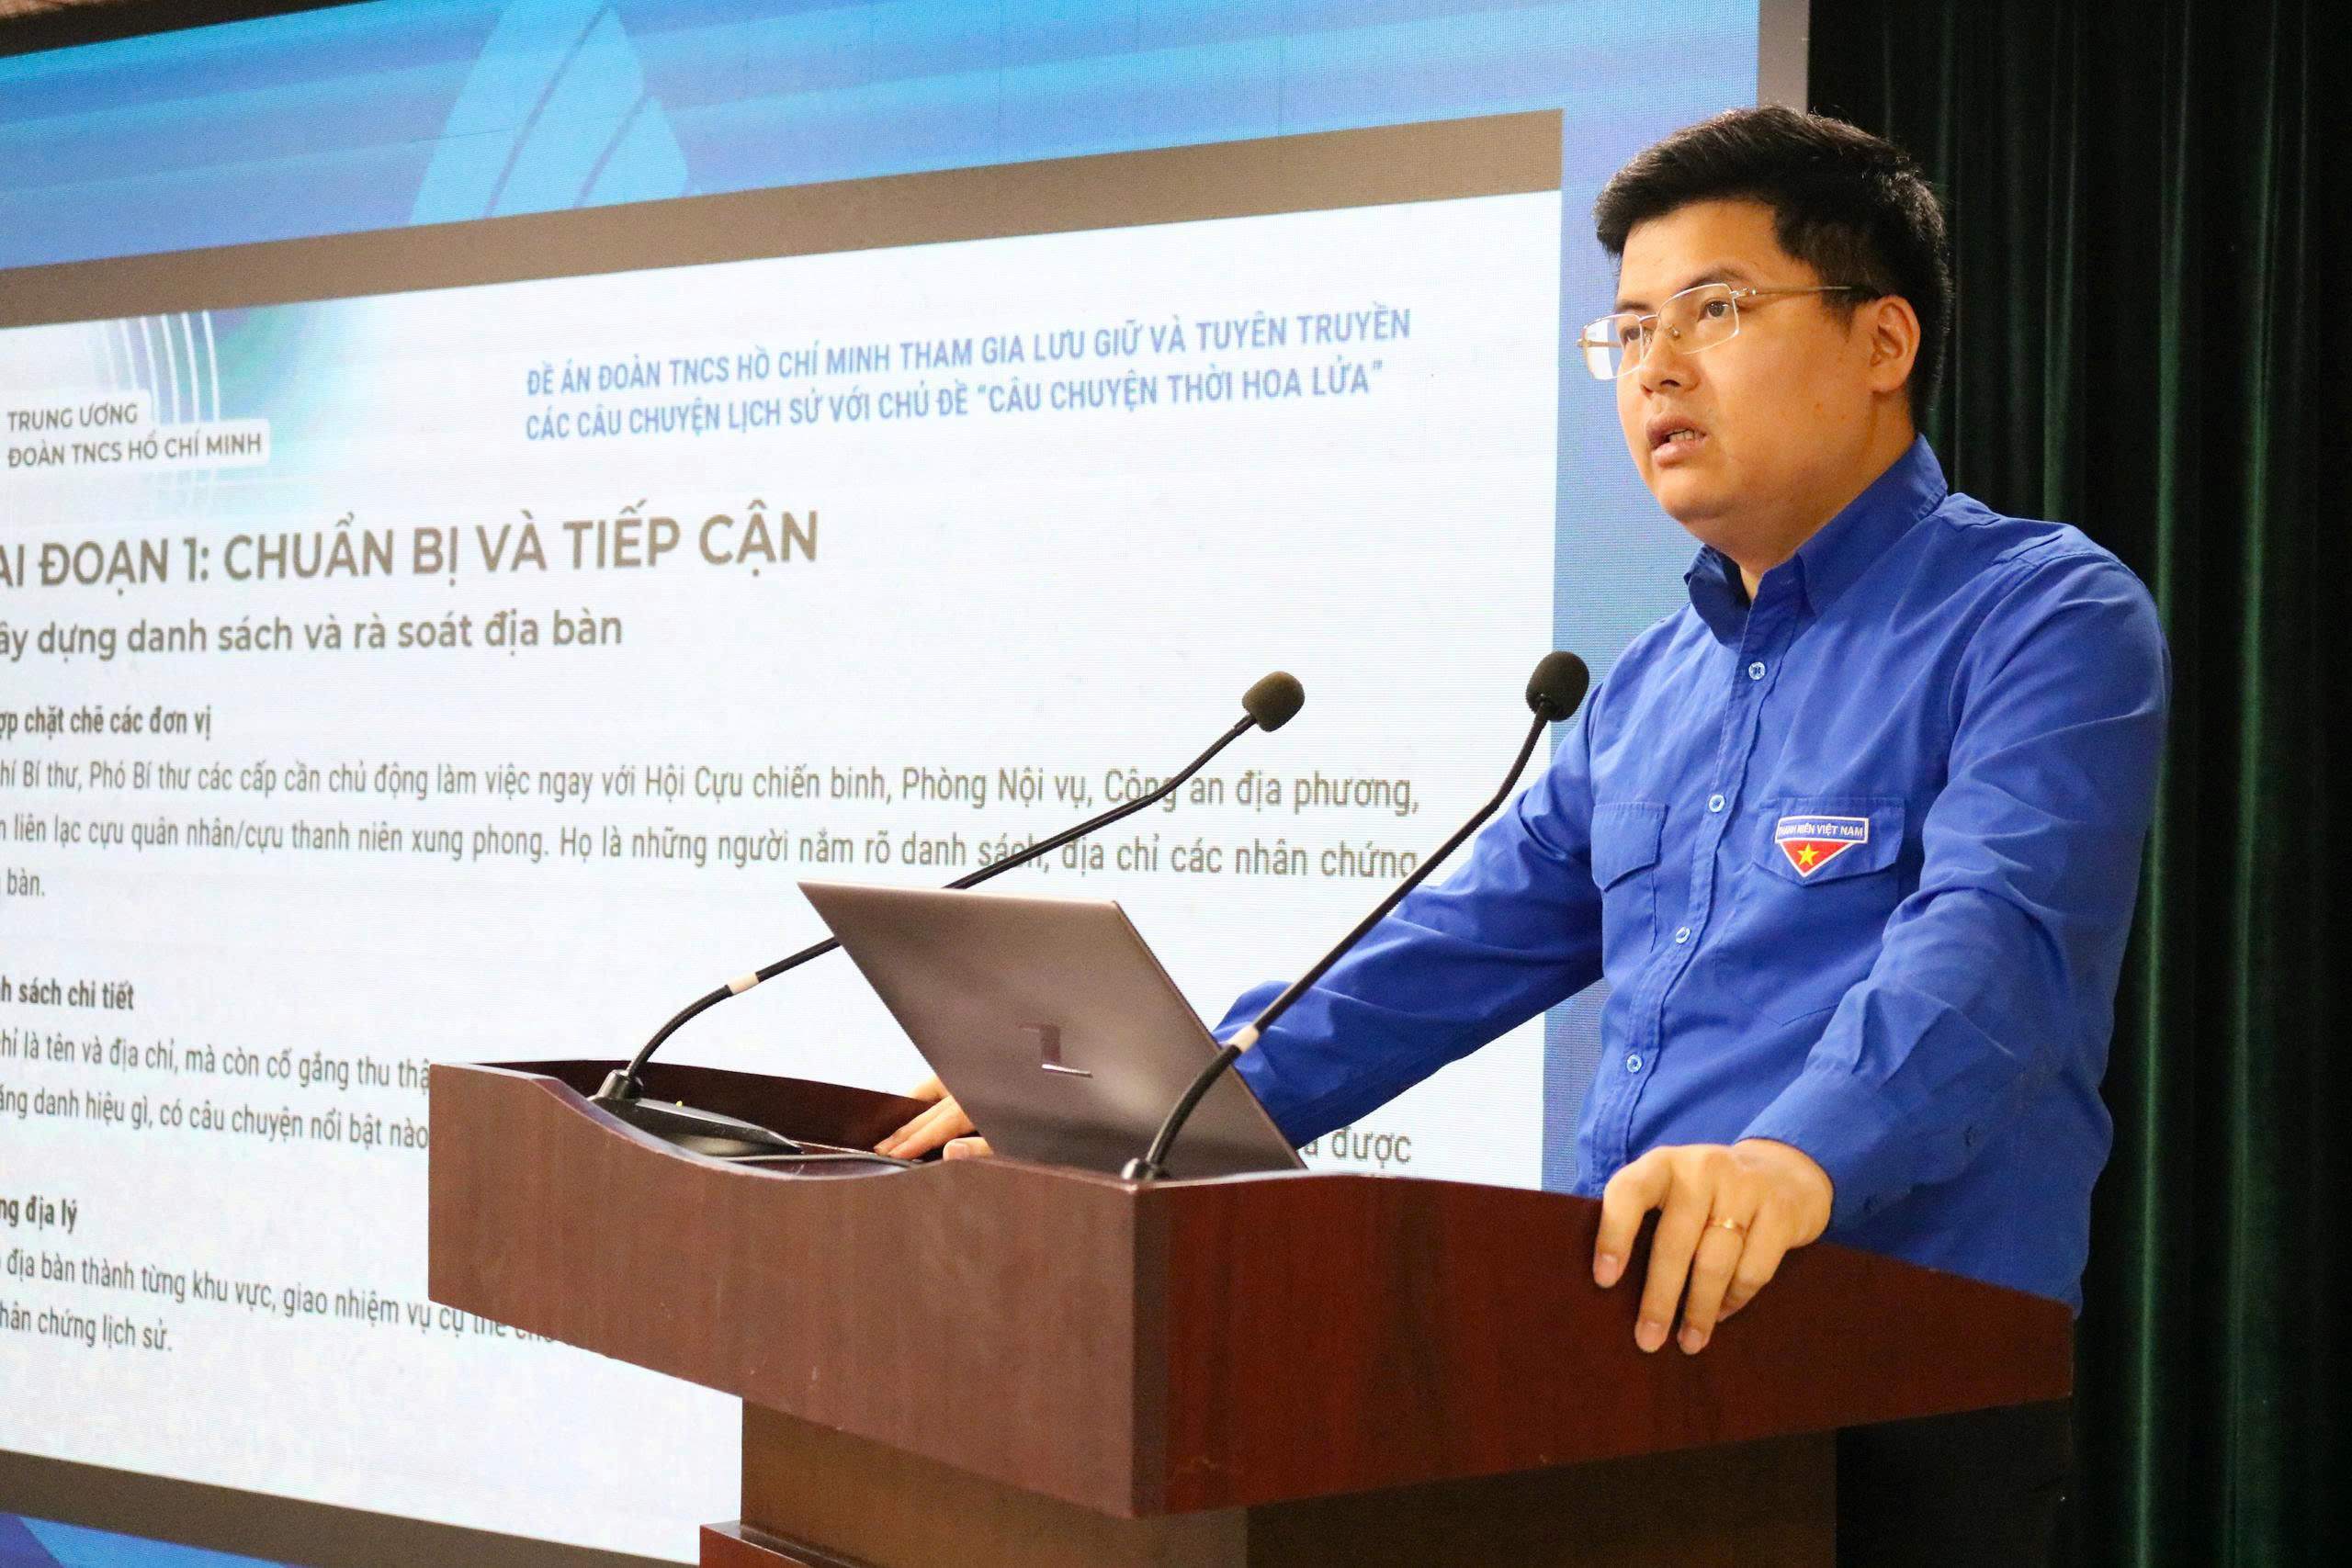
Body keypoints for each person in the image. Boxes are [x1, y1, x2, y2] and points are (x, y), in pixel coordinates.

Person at [880, 106, 2166, 1564]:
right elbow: (1447, 950)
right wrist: (1145, 1106)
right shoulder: (1650, 687)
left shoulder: (2041, 618)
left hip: (1891, 1386)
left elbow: (1996, 951)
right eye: (1631, 332)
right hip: (1616, 1371)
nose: (1658, 368)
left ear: (1884, 341)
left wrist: (1784, 1161)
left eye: (1716, 311)